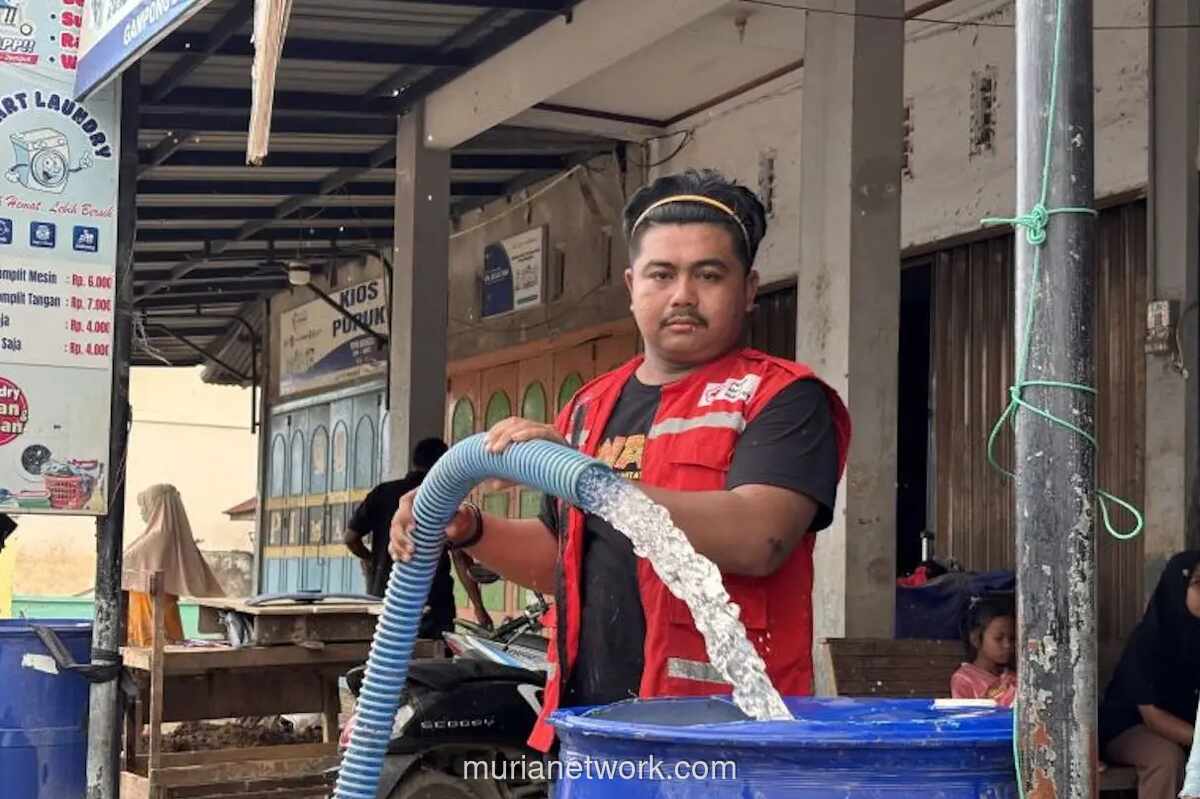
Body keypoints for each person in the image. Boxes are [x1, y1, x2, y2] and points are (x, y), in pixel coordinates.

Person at [390, 169, 851, 751]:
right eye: (662, 274)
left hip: (723, 740)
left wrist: (589, 480)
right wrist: (473, 529)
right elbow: (563, 559)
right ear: (633, 286)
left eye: (709, 275)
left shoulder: (782, 397)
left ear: (749, 288)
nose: (683, 294)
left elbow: (761, 537)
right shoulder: (589, 406)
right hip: (589, 732)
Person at [345, 437, 493, 638]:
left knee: (388, 657)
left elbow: (350, 538)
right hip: (432, 599)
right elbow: (460, 557)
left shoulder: (383, 493)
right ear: (443, 464)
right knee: (433, 661)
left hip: (386, 595)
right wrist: (479, 608)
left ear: (415, 462)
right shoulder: (444, 497)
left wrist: (371, 559)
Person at [1100, 550, 1200, 799]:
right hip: (1131, 727)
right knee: (1166, 759)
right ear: (1177, 587)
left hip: (1188, 729)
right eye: (1199, 584)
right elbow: (1153, 718)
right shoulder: (1150, 639)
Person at [122, 484, 225, 646]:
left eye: (144, 506)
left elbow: (125, 562)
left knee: (151, 650)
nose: (142, 512)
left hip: (147, 614)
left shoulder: (154, 538)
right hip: (165, 615)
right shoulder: (180, 539)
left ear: (157, 507)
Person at [950, 596, 1016, 706]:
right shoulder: (964, 679)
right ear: (976, 639)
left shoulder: (1015, 677)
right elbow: (966, 718)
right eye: (998, 638)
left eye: (1012, 638)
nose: (1007, 645)